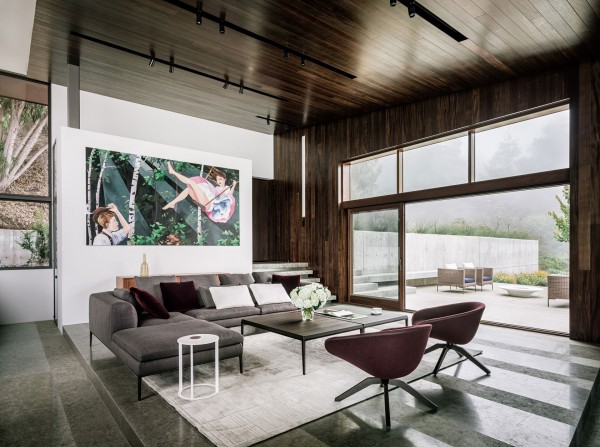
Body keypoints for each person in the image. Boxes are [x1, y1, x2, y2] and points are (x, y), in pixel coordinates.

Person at [162, 162, 237, 223]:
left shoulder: (227, 188)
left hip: (210, 205)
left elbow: (230, 196)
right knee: (189, 188)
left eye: (221, 179)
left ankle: (173, 172)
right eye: (218, 180)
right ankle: (173, 203)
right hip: (207, 200)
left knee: (192, 183)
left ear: (225, 179)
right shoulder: (215, 188)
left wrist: (233, 185)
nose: (219, 181)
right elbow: (210, 192)